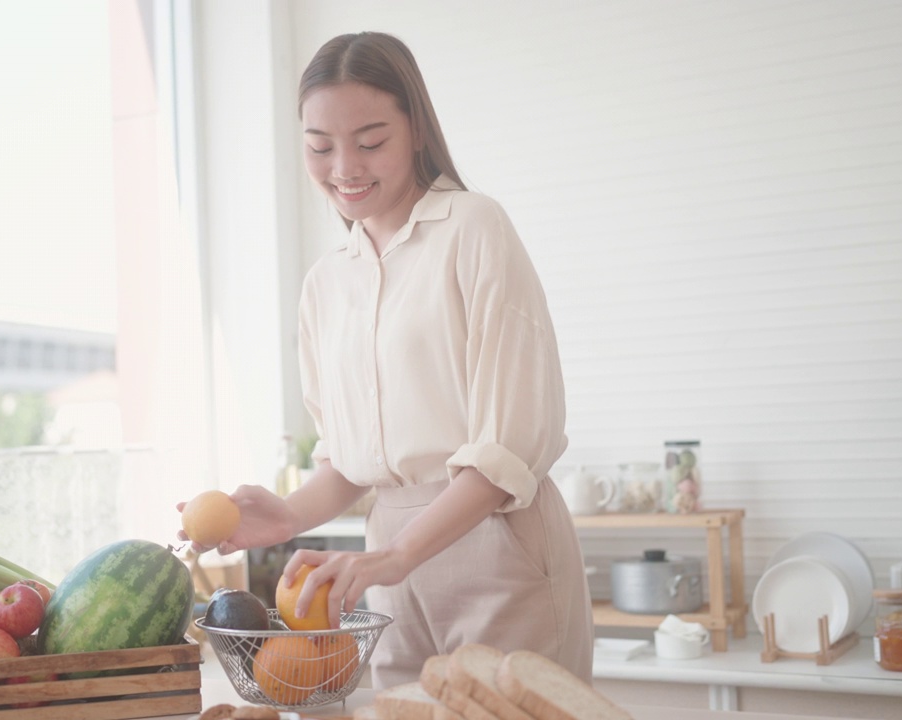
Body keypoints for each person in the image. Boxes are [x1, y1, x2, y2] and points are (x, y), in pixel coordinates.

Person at [177, 31, 592, 690]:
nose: (344, 167)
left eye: (370, 142)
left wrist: (397, 555)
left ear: (417, 130)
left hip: (499, 542)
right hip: (388, 560)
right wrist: (288, 515)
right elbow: (351, 460)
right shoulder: (325, 283)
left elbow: (509, 445)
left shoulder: (473, 229)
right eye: (320, 146)